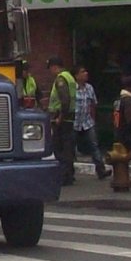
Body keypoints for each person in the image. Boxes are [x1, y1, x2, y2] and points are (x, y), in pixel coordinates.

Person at [73, 65, 111, 180]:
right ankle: (69, 173)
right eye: (82, 72)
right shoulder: (72, 88)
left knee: (94, 145)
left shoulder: (89, 88)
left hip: (87, 121)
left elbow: (93, 104)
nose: (85, 73)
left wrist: (93, 119)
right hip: (74, 122)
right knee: (70, 148)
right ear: (76, 75)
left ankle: (101, 170)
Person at [47, 56, 77, 186]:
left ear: (54, 66)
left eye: (50, 68)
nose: (50, 72)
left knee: (59, 147)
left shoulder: (61, 79)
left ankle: (64, 175)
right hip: (69, 117)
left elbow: (64, 100)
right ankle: (69, 174)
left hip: (62, 117)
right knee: (67, 146)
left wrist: (60, 117)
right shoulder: (69, 77)